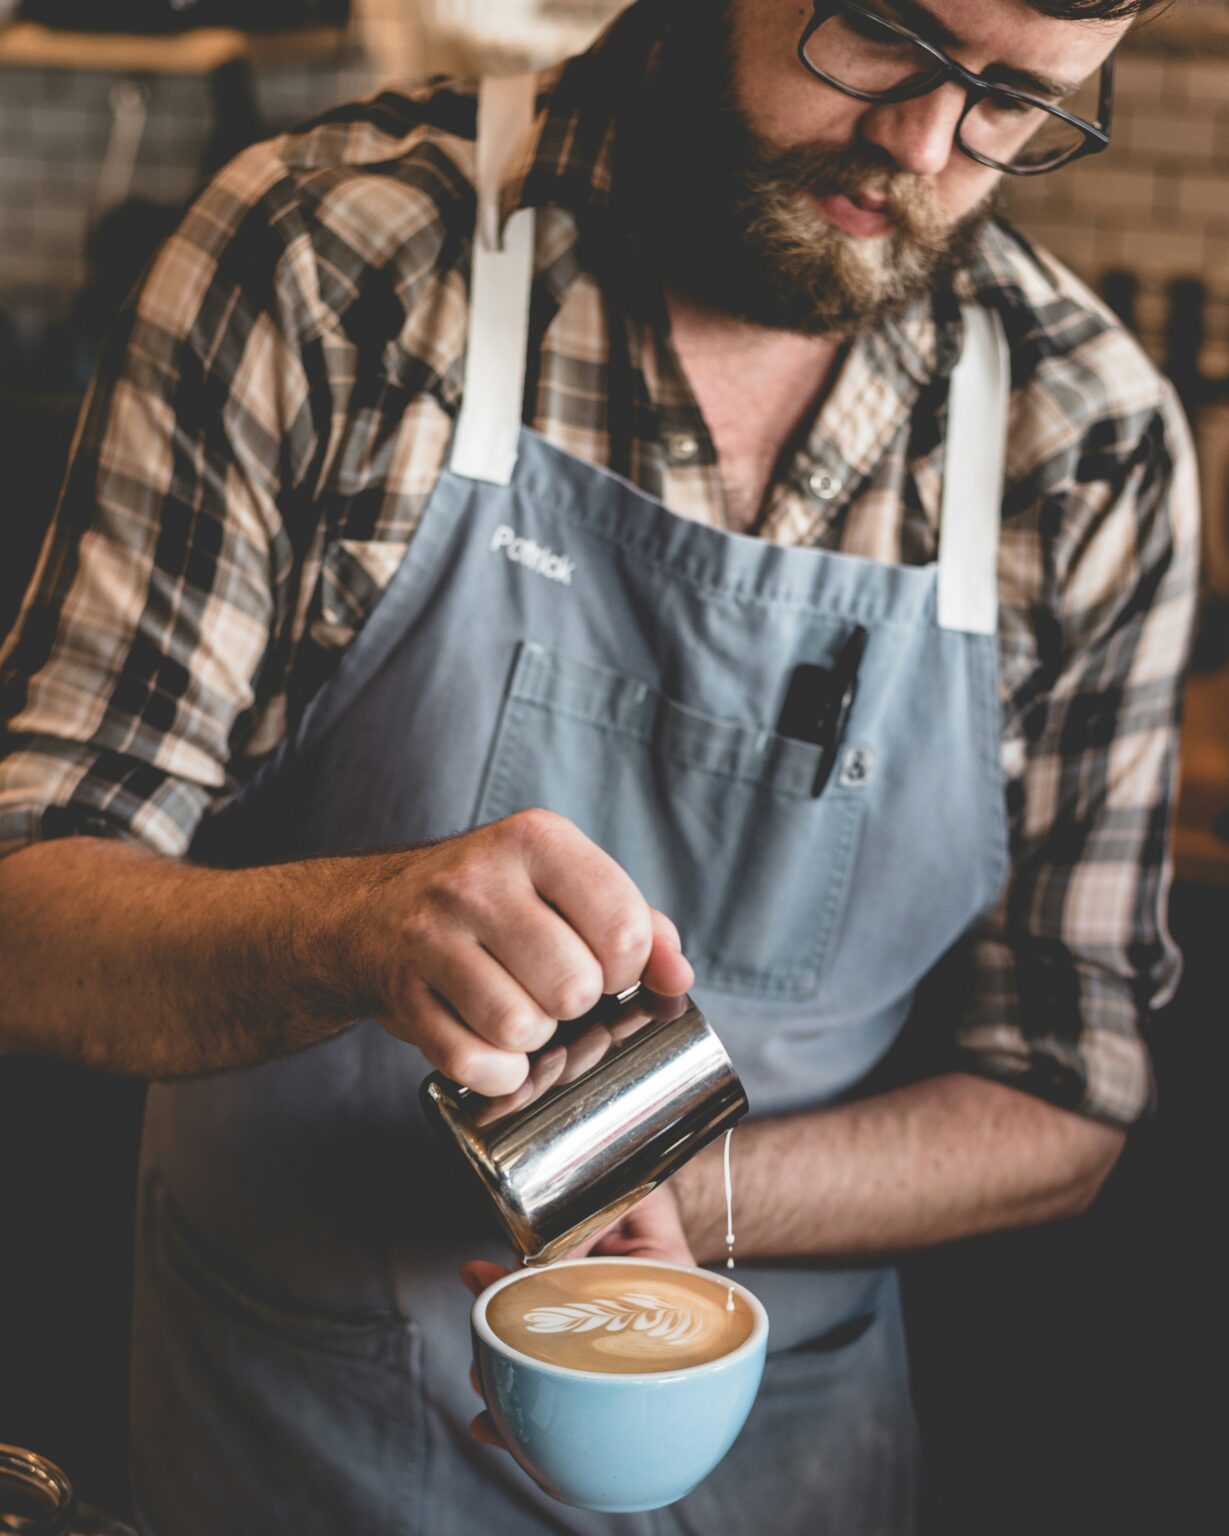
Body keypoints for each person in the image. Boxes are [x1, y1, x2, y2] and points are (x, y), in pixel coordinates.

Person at [0, 0, 1199, 1531]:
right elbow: (25, 910)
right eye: (881, 35)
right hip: (305, 1431)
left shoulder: (1083, 440)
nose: (921, 140)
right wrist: (344, 930)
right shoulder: (333, 260)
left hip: (792, 1464)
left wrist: (691, 1196)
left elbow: (1064, 1099)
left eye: (1014, 103)